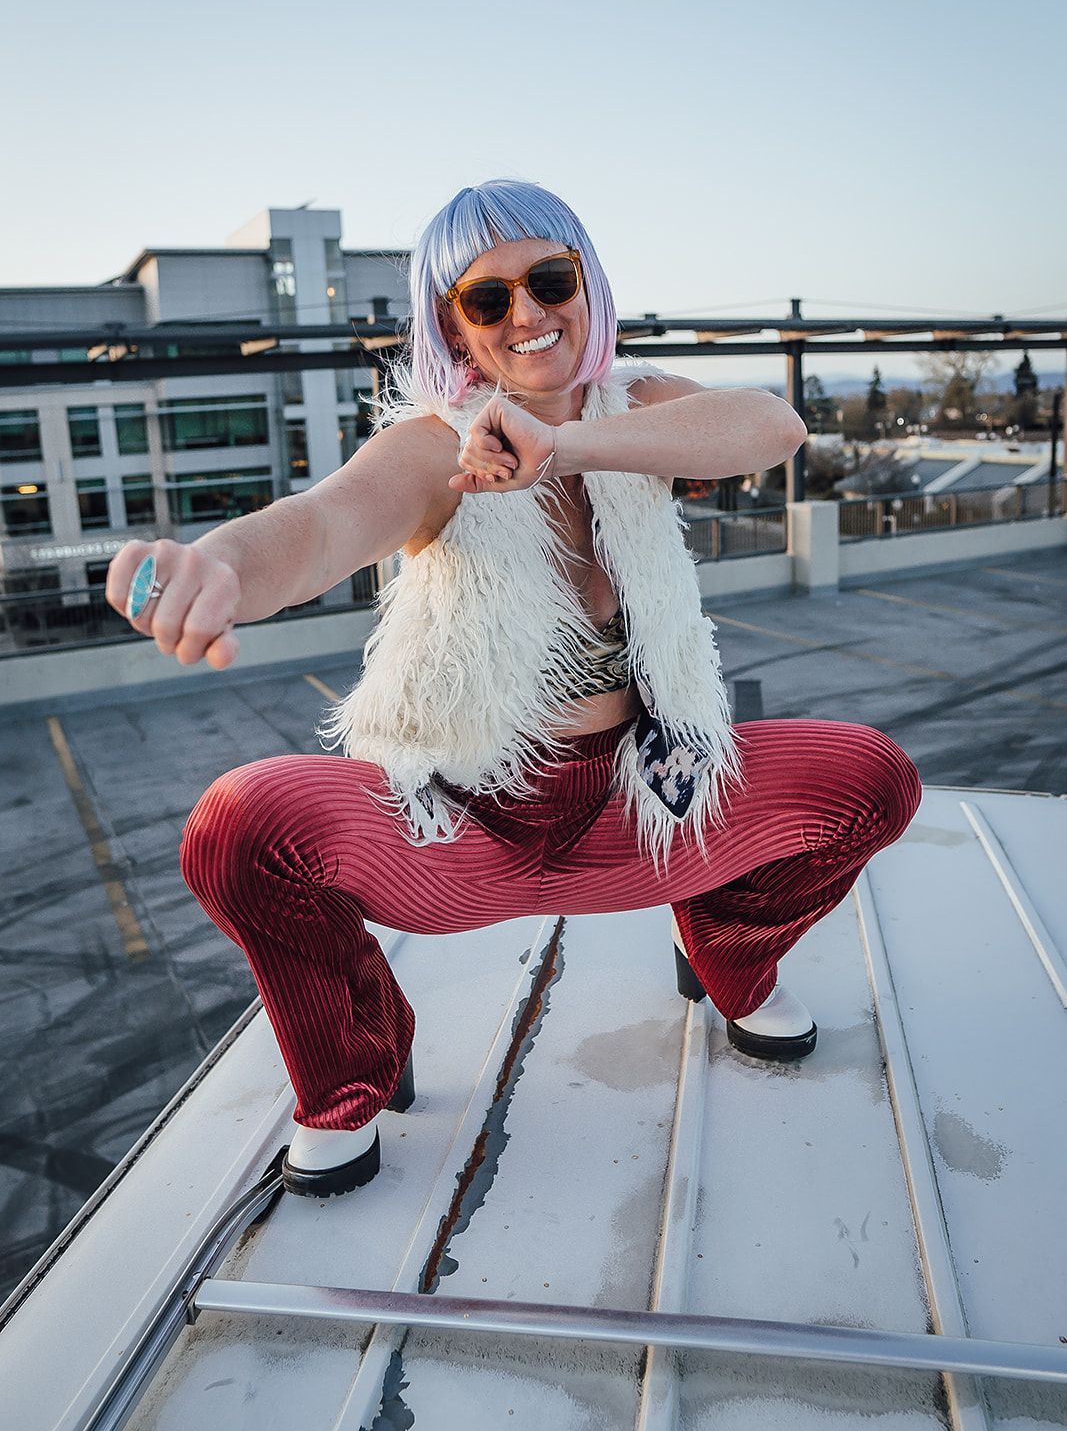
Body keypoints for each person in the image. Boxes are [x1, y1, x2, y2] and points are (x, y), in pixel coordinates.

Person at [106, 179, 923, 1200]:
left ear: (586, 284)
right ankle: (353, 1061)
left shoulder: (642, 413)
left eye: (548, 279)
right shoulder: (432, 445)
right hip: (463, 825)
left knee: (872, 778)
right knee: (237, 827)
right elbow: (321, 525)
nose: (527, 315)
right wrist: (224, 566)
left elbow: (770, 425)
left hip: (645, 810)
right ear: (449, 324)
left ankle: (727, 948)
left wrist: (564, 444)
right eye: (485, 300)